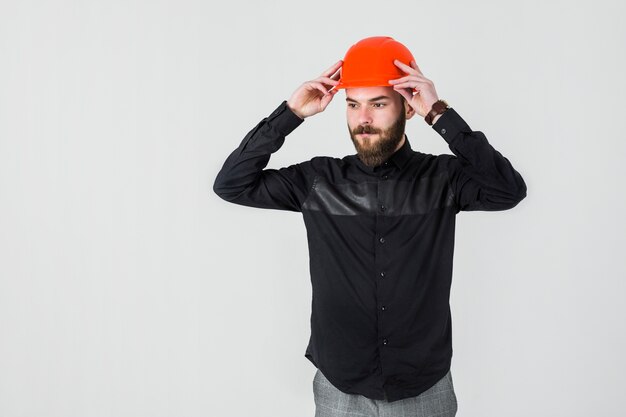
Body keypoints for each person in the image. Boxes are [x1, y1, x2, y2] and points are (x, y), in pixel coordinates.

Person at [213, 36, 527, 417]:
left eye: (378, 104)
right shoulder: (318, 180)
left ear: (407, 108)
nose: (363, 119)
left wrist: (440, 113)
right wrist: (290, 113)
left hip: (423, 390)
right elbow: (231, 184)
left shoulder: (443, 178)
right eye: (353, 104)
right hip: (339, 390)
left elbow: (508, 191)